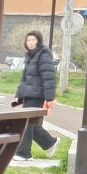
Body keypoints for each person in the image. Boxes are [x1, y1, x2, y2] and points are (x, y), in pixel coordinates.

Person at [13, 28, 60, 161]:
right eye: (28, 40)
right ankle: (50, 142)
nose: (30, 42)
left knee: (27, 123)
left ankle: (24, 154)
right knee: (31, 124)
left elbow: (49, 77)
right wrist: (19, 95)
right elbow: (24, 79)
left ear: (38, 41)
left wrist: (50, 97)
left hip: (37, 95)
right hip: (28, 95)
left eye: (33, 40)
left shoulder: (43, 55)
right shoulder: (30, 56)